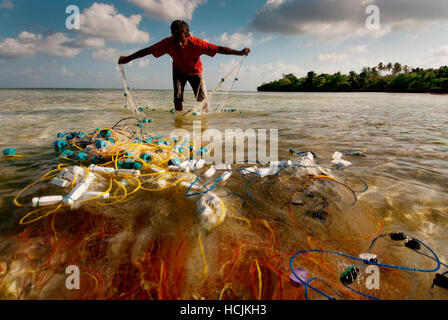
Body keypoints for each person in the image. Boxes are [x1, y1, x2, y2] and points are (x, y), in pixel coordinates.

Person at [118, 20, 250, 112]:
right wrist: (128, 59)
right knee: (177, 97)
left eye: (182, 41)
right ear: (172, 35)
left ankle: (204, 122)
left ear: (188, 36)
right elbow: (147, 51)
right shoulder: (167, 43)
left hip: (195, 72)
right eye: (176, 40)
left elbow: (219, 49)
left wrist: (239, 52)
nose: (179, 44)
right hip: (178, 71)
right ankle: (179, 121)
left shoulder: (198, 43)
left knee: (202, 100)